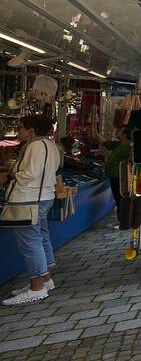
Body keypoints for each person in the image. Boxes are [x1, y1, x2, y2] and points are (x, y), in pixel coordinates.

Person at [3, 115, 60, 306]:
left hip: (29, 198)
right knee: (41, 237)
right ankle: (45, 280)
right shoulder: (51, 146)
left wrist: (13, 173)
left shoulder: (35, 146)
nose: (19, 131)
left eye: (22, 128)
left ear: (32, 130)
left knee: (31, 242)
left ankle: (37, 287)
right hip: (42, 198)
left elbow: (30, 174)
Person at [102, 127, 131, 224]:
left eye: (120, 131)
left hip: (120, 176)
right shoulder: (119, 145)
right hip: (115, 176)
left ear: (125, 135)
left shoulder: (128, 147)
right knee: (118, 198)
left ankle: (122, 220)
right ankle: (121, 219)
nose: (118, 132)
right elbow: (103, 142)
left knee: (120, 197)